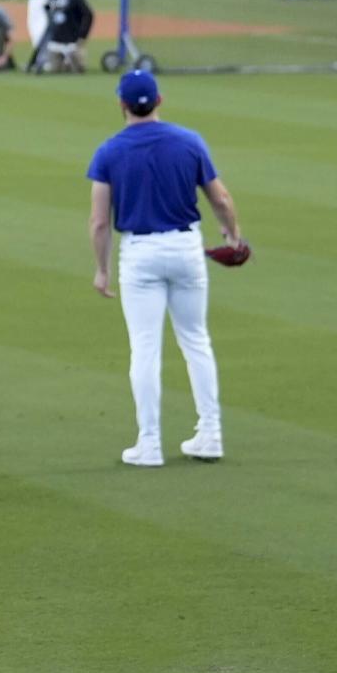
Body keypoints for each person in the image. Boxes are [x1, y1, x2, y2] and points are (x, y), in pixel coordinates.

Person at [88, 71, 240, 466]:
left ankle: (150, 443)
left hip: (139, 254)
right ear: (160, 99)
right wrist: (232, 232)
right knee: (195, 340)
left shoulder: (108, 151)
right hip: (186, 247)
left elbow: (100, 222)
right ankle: (211, 434)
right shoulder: (189, 141)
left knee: (145, 348)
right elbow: (220, 198)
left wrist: (101, 269)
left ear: (121, 104)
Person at [36, 0, 94, 73]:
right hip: (55, 40)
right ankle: (63, 63)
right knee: (53, 69)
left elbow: (88, 14)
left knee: (78, 69)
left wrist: (83, 35)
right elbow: (47, 9)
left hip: (72, 40)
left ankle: (70, 61)